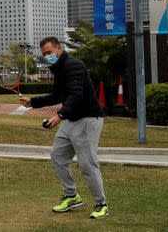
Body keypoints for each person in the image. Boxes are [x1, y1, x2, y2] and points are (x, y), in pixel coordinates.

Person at [19, 36, 109, 220]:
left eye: (49, 52)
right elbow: (57, 95)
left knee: (87, 163)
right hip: (72, 119)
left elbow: (76, 96)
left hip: (87, 119)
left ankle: (102, 204)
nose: (47, 56)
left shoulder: (73, 65)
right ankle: (71, 196)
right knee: (58, 155)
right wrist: (33, 102)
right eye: (44, 54)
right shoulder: (58, 69)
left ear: (59, 49)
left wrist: (59, 116)